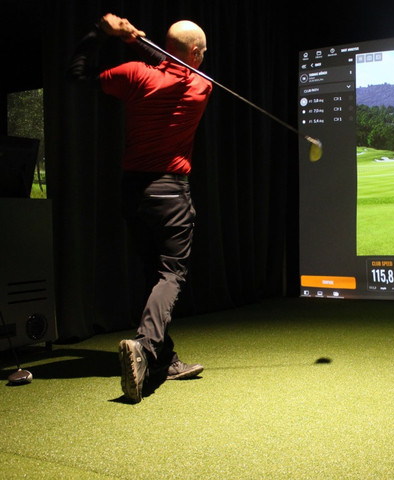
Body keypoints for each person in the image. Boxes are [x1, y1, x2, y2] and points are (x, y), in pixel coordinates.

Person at [68, 13, 212, 403]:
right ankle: (145, 349)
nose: (203, 58)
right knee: (171, 274)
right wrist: (135, 40)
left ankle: (165, 358)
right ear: (194, 54)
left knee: (154, 275)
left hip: (133, 192)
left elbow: (78, 74)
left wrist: (104, 33)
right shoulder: (201, 85)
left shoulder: (134, 75)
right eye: (202, 52)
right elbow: (176, 67)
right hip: (171, 193)